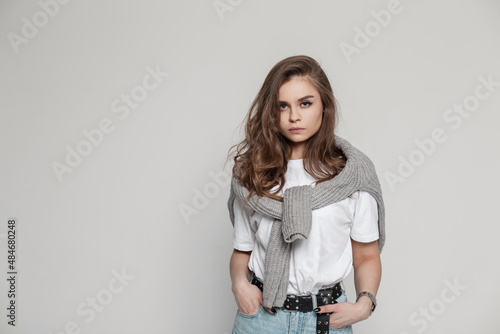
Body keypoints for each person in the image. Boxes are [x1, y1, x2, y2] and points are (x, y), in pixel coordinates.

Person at [226, 55, 385, 334]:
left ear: (324, 106)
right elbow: (242, 249)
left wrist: (364, 304)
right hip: (262, 319)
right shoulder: (252, 175)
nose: (294, 116)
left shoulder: (352, 175)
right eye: (282, 106)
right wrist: (240, 285)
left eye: (305, 103)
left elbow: (366, 256)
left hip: (325, 320)